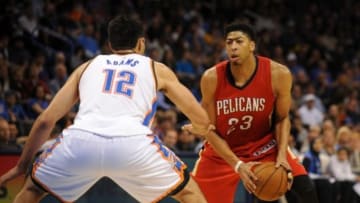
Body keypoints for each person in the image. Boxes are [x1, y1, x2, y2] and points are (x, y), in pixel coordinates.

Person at [0, 15, 222, 203]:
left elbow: (46, 121)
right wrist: (201, 128)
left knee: (32, 188)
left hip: (81, 141)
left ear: (110, 45)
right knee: (188, 190)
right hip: (133, 144)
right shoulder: (155, 68)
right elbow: (197, 114)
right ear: (141, 44)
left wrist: (22, 166)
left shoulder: (87, 66)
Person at [184, 22, 318, 203]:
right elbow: (209, 129)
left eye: (239, 41)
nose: (233, 46)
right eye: (229, 42)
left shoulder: (278, 74)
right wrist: (238, 165)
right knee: (196, 199)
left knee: (306, 192)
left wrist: (280, 155)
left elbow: (282, 118)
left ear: (252, 45)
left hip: (264, 146)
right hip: (222, 151)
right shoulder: (212, 78)